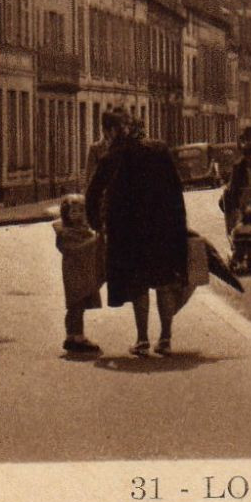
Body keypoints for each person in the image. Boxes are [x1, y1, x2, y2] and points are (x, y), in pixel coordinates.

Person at [86, 109, 191, 358]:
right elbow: (177, 190)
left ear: (114, 131)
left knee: (139, 286)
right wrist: (179, 226)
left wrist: (95, 222)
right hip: (162, 229)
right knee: (164, 283)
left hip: (129, 233)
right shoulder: (160, 150)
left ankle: (142, 339)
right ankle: (165, 339)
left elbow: (93, 191)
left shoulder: (115, 155)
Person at [52, 194, 103, 356]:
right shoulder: (65, 233)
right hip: (73, 273)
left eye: (81, 211)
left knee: (78, 305)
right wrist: (97, 241)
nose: (78, 214)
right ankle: (76, 337)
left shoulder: (82, 230)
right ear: (65, 213)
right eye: (73, 211)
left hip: (82, 271)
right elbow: (77, 248)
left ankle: (73, 336)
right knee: (75, 305)